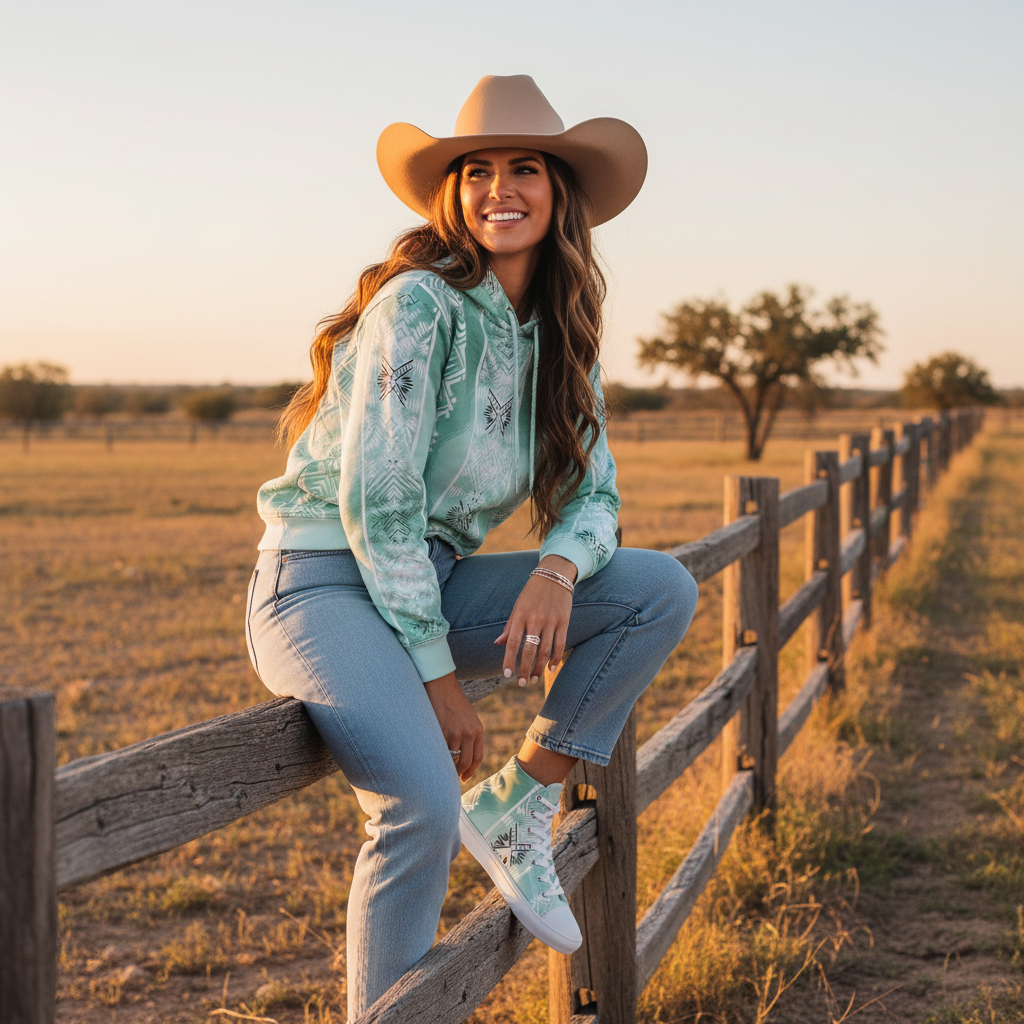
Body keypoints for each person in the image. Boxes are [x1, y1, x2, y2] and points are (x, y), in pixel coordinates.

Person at [245, 75, 698, 1016]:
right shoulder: (418, 305)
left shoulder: (560, 337)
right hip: (321, 584)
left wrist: (558, 569)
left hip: (434, 579)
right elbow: (380, 498)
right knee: (416, 804)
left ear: (558, 191)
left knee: (657, 590)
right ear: (451, 194)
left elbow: (597, 496)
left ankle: (521, 798)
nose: (501, 187)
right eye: (478, 170)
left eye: (525, 167)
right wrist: (438, 680)